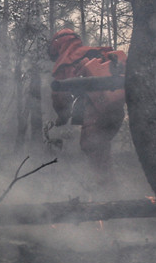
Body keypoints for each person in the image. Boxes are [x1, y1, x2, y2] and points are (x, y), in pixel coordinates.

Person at [48, 28, 126, 184]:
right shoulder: (94, 52)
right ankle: (108, 189)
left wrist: (62, 117)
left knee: (91, 146)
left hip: (96, 112)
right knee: (101, 149)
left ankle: (106, 192)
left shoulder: (65, 62)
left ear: (58, 45)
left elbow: (60, 98)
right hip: (116, 109)